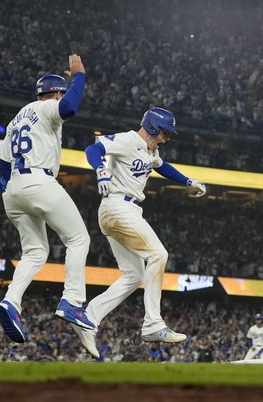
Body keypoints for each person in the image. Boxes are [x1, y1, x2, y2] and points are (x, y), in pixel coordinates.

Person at [71, 107, 207, 358]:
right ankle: (153, 324)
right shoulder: (129, 139)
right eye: (165, 133)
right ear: (154, 127)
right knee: (158, 255)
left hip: (122, 211)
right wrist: (101, 171)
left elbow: (162, 166)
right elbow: (93, 149)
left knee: (134, 275)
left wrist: (188, 182)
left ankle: (88, 317)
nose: (167, 139)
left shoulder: (149, 151)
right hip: (118, 206)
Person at [0, 54, 96, 344]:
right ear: (54, 92)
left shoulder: (16, 119)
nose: (64, 94)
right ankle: (72, 301)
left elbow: (2, 163)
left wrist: (10, 187)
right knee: (78, 240)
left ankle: (11, 302)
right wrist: (79, 76)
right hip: (39, 180)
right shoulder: (49, 106)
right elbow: (70, 108)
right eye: (61, 90)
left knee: (36, 252)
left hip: (14, 189)